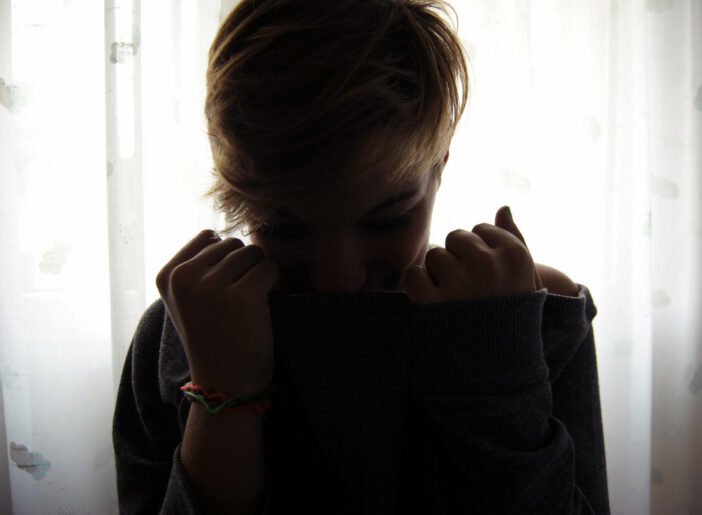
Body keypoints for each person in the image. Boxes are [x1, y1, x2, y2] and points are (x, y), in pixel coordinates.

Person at [112, 0, 610, 513]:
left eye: (387, 219)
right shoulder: (186, 330)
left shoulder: (531, 315)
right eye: (283, 227)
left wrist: (497, 368)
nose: (339, 279)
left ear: (439, 165)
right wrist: (222, 396)